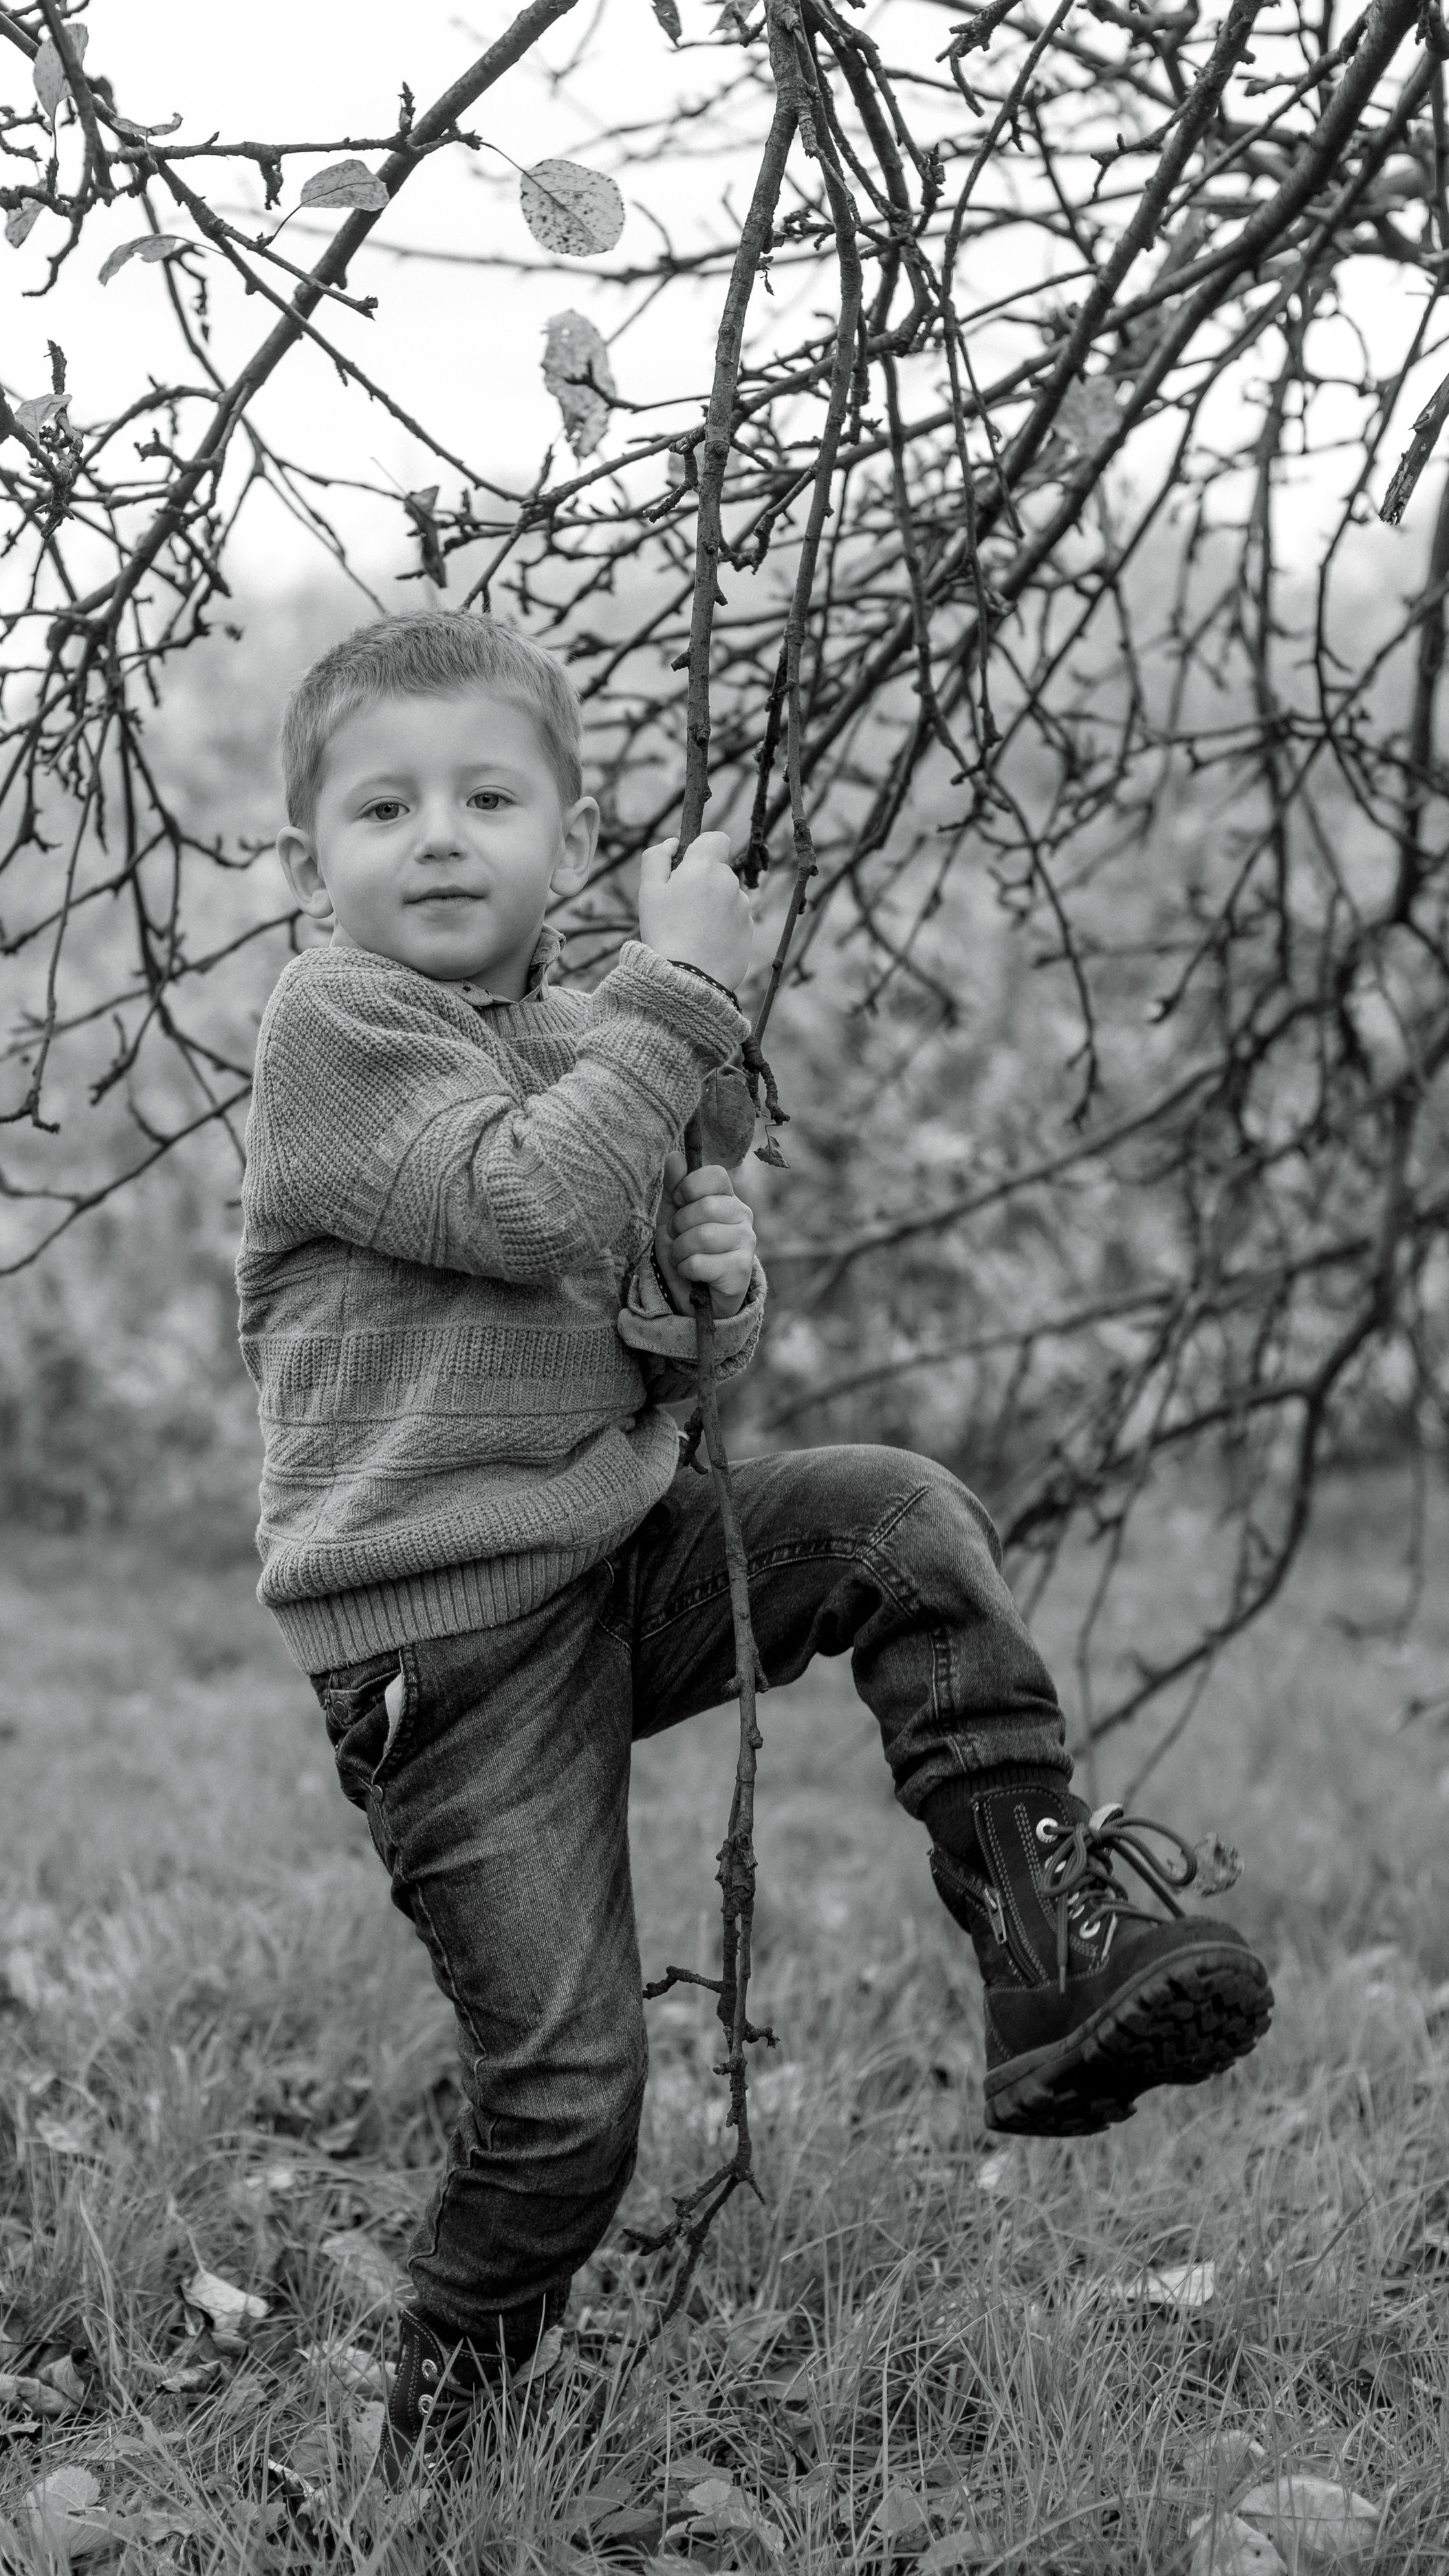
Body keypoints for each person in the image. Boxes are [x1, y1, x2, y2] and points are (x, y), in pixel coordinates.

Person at [235, 613, 1272, 2471]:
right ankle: (445, 2454)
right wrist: (683, 1006)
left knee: (894, 1511)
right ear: (310, 852)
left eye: (488, 794)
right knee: (567, 2102)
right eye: (382, 806)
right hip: (441, 1656)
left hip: (608, 1564)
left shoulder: (586, 1030)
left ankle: (1050, 1943)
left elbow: (655, 1359)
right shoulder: (340, 1025)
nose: (440, 836)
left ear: (568, 831)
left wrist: (722, 1289)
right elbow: (532, 1199)